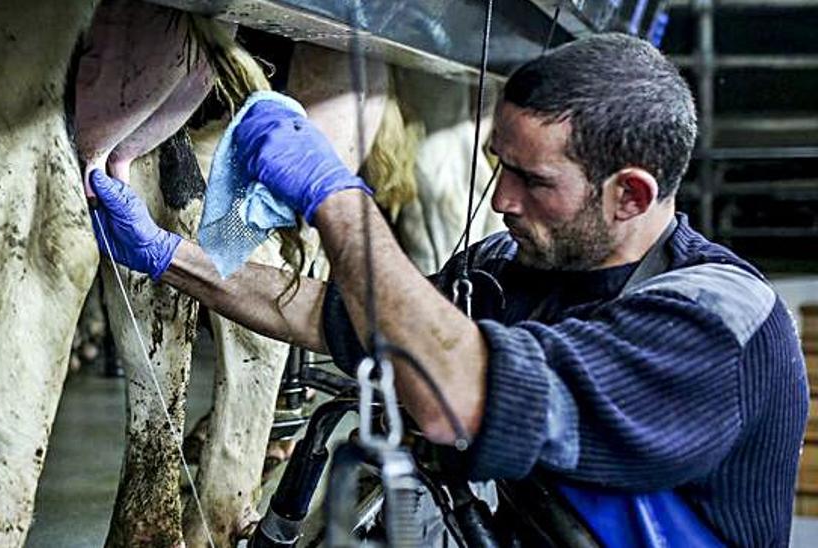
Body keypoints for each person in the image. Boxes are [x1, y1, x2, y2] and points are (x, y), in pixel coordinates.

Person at [87, 33, 807, 546]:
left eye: (533, 180)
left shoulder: (718, 327)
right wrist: (166, 255)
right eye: (501, 166)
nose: (501, 199)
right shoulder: (514, 267)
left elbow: (454, 394)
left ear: (630, 195)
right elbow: (345, 316)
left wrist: (339, 202)